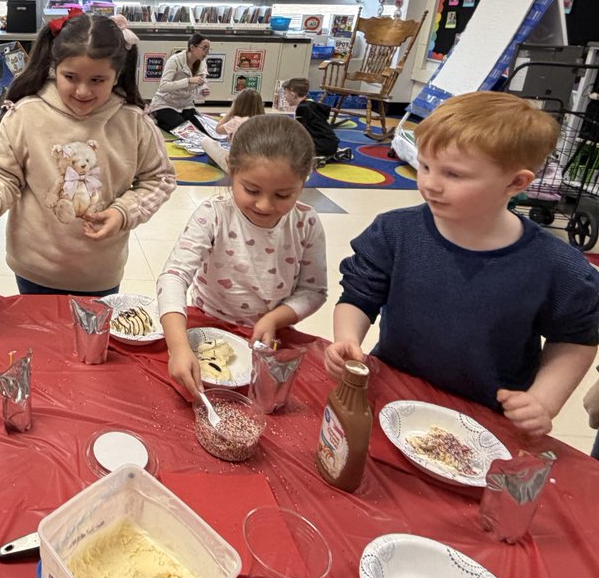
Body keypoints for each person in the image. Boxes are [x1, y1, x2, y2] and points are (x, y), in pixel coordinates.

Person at [325, 92, 599, 436]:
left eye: (454, 175)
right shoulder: (394, 231)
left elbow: (574, 340)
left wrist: (543, 400)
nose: (430, 183)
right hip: (394, 392)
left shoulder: (558, 266)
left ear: (516, 183)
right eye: (425, 166)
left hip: (486, 419)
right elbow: (359, 295)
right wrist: (347, 338)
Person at [0, 11, 176, 295]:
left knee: (89, 339)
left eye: (97, 80)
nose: (82, 91)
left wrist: (123, 212)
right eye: (70, 77)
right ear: (54, 67)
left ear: (117, 76)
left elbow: (161, 178)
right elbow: (2, 173)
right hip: (34, 266)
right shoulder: (26, 113)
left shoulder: (134, 122)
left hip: (99, 272)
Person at [158, 115, 326, 398]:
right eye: (251, 190)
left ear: (303, 182)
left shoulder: (306, 223)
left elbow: (314, 290)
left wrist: (275, 318)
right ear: (231, 171)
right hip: (206, 324)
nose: (264, 204)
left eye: (283, 195)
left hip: (270, 336)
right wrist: (178, 347)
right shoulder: (215, 214)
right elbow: (173, 276)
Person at [147, 34, 212, 134]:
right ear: (192, 47)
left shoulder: (202, 63)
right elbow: (163, 86)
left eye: (209, 49)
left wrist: (203, 90)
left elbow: (201, 84)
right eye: (204, 48)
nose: (207, 52)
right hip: (165, 104)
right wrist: (188, 81)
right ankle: (158, 120)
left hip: (186, 105)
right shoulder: (174, 60)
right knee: (184, 131)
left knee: (203, 130)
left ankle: (174, 120)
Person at [284, 77, 347, 164]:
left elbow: (301, 133)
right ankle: (334, 154)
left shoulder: (302, 109)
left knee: (290, 147)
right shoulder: (311, 104)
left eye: (285, 94)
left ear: (292, 95)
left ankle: (317, 158)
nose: (284, 97)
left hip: (320, 146)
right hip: (331, 143)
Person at [202, 89, 267, 173]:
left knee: (206, 141)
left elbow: (218, 129)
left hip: (237, 168)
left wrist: (231, 111)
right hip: (257, 166)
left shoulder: (237, 120)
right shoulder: (264, 121)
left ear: (239, 104)